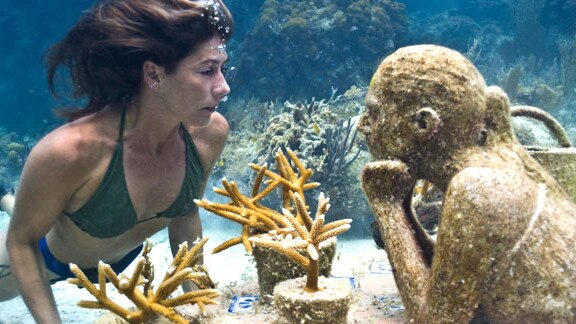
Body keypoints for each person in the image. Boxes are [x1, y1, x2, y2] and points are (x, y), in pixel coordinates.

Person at [0, 0, 234, 322]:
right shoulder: (70, 151)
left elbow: (185, 213)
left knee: (42, 208)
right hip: (50, 257)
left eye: (222, 68)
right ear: (153, 73)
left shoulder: (210, 134)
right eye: (207, 70)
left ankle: (9, 198)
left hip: (120, 253)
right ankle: (6, 198)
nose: (223, 86)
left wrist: (203, 307)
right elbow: (21, 242)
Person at [359, 45, 576, 322]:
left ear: (424, 124)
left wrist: (386, 207)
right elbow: (456, 274)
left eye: (374, 114)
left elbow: (435, 320)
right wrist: (402, 206)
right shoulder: (494, 163)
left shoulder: (476, 187)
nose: (363, 125)